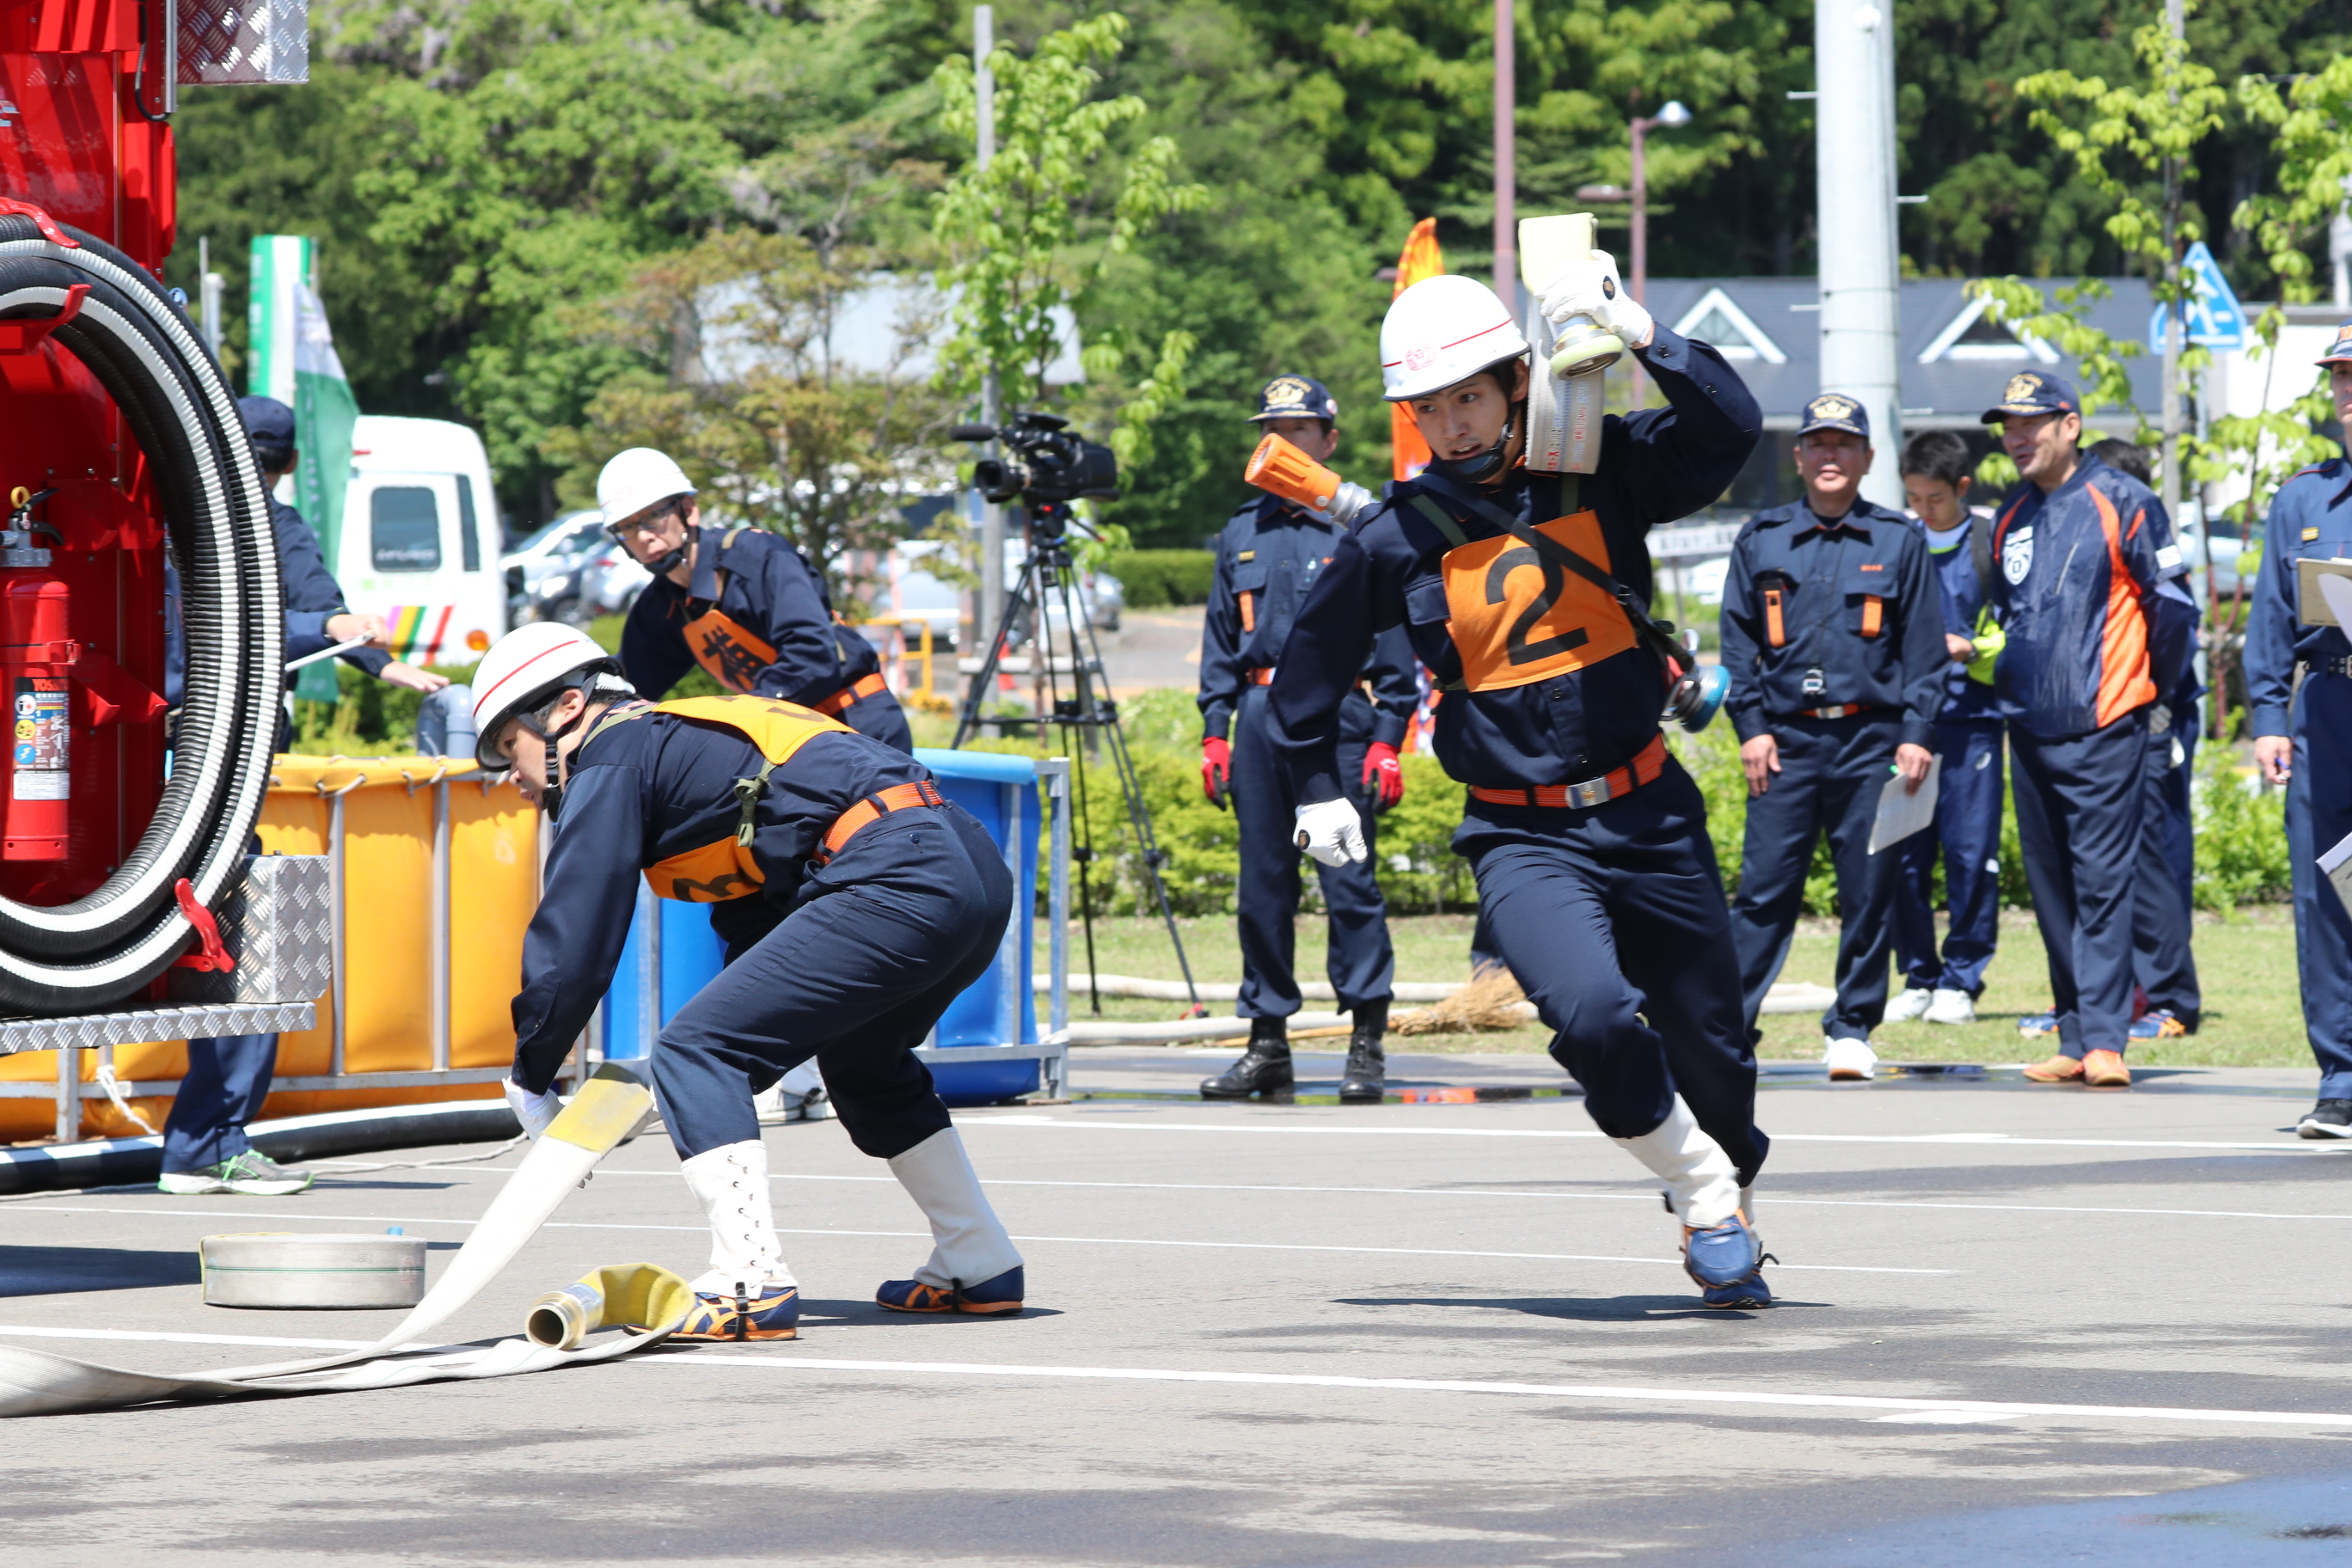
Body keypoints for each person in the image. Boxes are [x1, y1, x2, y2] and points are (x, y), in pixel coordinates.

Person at [1269, 266, 1779, 1308]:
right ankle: (1702, 1193)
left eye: (1469, 396)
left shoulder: (1603, 469)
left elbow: (1731, 429)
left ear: (1515, 382)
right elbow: (1303, 684)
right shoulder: (1396, 534)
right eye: (1428, 408)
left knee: (1719, 1058)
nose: (1451, 424)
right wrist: (1318, 790)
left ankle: (1719, 1175)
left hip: (1651, 809)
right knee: (1594, 1020)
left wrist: (1638, 329)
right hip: (1521, 836)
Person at [476, 623, 1023, 1340]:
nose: (510, 777)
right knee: (865, 1064)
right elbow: (761, 934)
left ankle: (749, 1281)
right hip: (964, 864)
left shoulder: (612, 751)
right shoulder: (684, 740)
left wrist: (532, 1072)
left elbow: (578, 925)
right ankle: (979, 1259)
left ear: (568, 709)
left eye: (507, 746)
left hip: (895, 872)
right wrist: (701, 1087)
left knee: (695, 1050)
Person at [157, 396, 450, 1198]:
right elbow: (302, 618)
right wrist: (346, 639)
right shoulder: (258, 525)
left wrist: (365, 650)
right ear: (286, 466)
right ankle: (206, 1142)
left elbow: (323, 616)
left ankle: (204, 1143)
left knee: (237, 934)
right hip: (212, 766)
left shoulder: (160, 516)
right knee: (249, 935)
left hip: (127, 764)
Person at [1197, 375, 1419, 1103]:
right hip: (1260, 716)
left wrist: (1388, 737)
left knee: (1347, 880)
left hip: (1338, 717)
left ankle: (1366, 1041)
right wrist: (1215, 732)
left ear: (1329, 440)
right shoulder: (1243, 530)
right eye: (1273, 430)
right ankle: (1268, 1044)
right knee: (1263, 888)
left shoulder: (1363, 524)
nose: (1283, 441)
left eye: (1298, 430)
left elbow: (1394, 645)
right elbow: (1221, 641)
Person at [1718, 395, 1942, 1082]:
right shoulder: (1763, 538)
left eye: (1844, 445)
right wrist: (1750, 729)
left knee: (1870, 892)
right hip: (1783, 743)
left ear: (1868, 459)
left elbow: (1924, 649)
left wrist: (1917, 733)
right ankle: (1728, 1030)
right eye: (1818, 443)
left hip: (1872, 743)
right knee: (1764, 893)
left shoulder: (1899, 541)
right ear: (1798, 456)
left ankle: (1851, 1029)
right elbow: (1737, 644)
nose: (1830, 456)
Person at [1981, 372, 2173, 1089]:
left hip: (2107, 724)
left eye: (2031, 423)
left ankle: (2107, 1041)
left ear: (2071, 425)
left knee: (2102, 886)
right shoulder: (2010, 514)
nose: (2017, 437)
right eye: (2008, 426)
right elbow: (2008, 611)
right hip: (2028, 728)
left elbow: (2171, 609)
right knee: (2052, 888)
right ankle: (2073, 1032)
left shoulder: (2123, 499)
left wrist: (2144, 694)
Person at [606, 447, 912, 754]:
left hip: (857, 723)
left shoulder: (759, 557)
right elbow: (627, 689)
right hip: (790, 738)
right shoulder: (660, 607)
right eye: (627, 527)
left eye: (653, 516)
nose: (643, 536)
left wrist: (737, 718)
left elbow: (812, 656)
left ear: (688, 510)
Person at [2245, 322, 2352, 1136]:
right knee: (2329, 897)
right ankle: (2343, 1078)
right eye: (2341, 378)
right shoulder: (2303, 499)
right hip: (2328, 711)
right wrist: (2267, 718)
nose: (2349, 393)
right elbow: (2270, 618)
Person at [1886, 430, 2005, 1027]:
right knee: (1904, 854)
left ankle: (1961, 979)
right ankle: (1918, 976)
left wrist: (1971, 648)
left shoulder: (1991, 542)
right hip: (1908, 724)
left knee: (1970, 853)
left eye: (1934, 498)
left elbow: (2018, 631)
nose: (1923, 510)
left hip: (1973, 720)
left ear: (1961, 487)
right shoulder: (1898, 542)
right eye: (1914, 498)